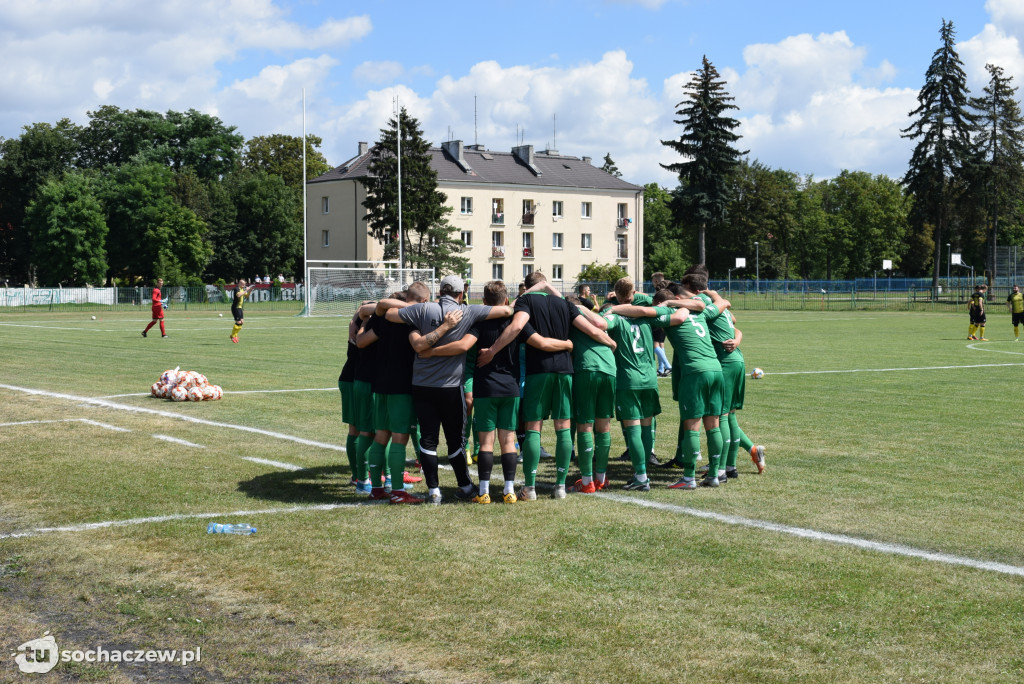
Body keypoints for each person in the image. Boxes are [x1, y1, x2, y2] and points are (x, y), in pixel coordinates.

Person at [423, 281, 573, 503]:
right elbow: (540, 342)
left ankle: (483, 492)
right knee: (508, 441)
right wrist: (567, 344)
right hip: (511, 390)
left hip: (485, 389)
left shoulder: (479, 324)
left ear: (484, 302)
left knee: (485, 443)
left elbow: (464, 346)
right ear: (505, 301)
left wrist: (431, 351)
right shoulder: (516, 324)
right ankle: (509, 491)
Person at [477, 271, 615, 500]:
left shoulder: (525, 301)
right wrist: (609, 342)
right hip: (564, 372)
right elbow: (592, 329)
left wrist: (492, 351)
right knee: (562, 427)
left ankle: (530, 488)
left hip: (538, 371)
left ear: (527, 287)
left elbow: (519, 327)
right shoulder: (564, 303)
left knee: (533, 427)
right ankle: (560, 487)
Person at [383, 275, 512, 504]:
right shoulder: (468, 311)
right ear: (461, 294)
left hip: (421, 385)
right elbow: (504, 312)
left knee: (428, 440)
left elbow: (389, 314)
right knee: (456, 441)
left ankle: (434, 491)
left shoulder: (422, 309)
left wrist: (411, 307)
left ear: (439, 291)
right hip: (451, 387)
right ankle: (464, 485)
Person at [566, 295, 617, 492]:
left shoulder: (569, 315)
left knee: (585, 425)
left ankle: (587, 482)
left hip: (587, 369)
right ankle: (601, 478)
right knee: (603, 425)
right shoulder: (590, 315)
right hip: (609, 367)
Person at [230, 279, 257, 343]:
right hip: (235, 307)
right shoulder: (237, 289)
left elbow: (247, 296)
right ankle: (233, 336)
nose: (243, 285)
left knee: (242, 322)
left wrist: (249, 291)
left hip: (240, 308)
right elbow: (239, 295)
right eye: (242, 284)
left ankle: (235, 335)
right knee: (238, 322)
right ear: (239, 283)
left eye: (244, 284)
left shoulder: (242, 289)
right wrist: (246, 290)